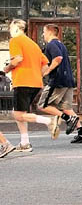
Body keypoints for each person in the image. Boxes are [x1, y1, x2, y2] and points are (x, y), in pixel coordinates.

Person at [5, 19, 58, 151]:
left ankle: (49, 121)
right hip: (36, 83)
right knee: (21, 113)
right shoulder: (33, 44)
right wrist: (36, 75)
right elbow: (45, 66)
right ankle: (25, 142)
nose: (10, 32)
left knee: (17, 115)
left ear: (17, 29)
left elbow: (17, 59)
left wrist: (6, 69)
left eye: (11, 29)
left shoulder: (15, 41)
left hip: (22, 81)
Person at [38, 24, 82, 143]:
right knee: (66, 108)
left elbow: (58, 58)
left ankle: (68, 119)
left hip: (57, 81)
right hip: (68, 81)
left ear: (50, 32)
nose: (43, 34)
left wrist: (47, 71)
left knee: (42, 105)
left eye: (44, 32)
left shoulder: (52, 44)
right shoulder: (61, 44)